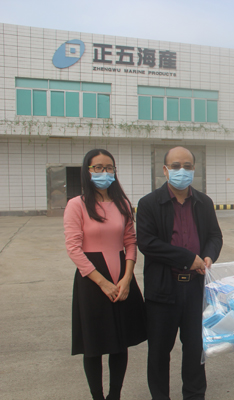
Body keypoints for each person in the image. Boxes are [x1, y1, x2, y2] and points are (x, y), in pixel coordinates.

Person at [137, 146, 223, 400]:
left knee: (196, 348)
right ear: (165, 170)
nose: (181, 171)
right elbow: (148, 243)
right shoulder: (149, 203)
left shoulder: (204, 202)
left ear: (194, 169)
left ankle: (194, 395)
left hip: (196, 289)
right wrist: (188, 259)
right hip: (163, 290)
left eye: (187, 166)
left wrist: (208, 256)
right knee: (159, 351)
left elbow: (214, 236)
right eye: (175, 166)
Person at [64, 149, 147, 400]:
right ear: (87, 171)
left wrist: (127, 278)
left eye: (109, 167)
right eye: (98, 168)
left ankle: (114, 395)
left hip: (122, 277)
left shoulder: (122, 204)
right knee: (94, 345)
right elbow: (74, 248)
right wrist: (102, 283)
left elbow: (130, 241)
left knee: (119, 343)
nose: (104, 172)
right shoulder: (76, 205)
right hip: (92, 281)